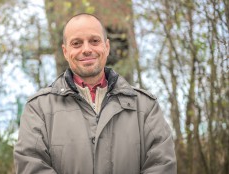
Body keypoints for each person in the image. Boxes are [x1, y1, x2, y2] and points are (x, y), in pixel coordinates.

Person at [14, 13, 177, 174]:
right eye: (77, 43)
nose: (86, 49)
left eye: (94, 41)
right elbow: (31, 166)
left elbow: (161, 165)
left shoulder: (145, 107)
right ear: (65, 51)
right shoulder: (38, 109)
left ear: (107, 46)